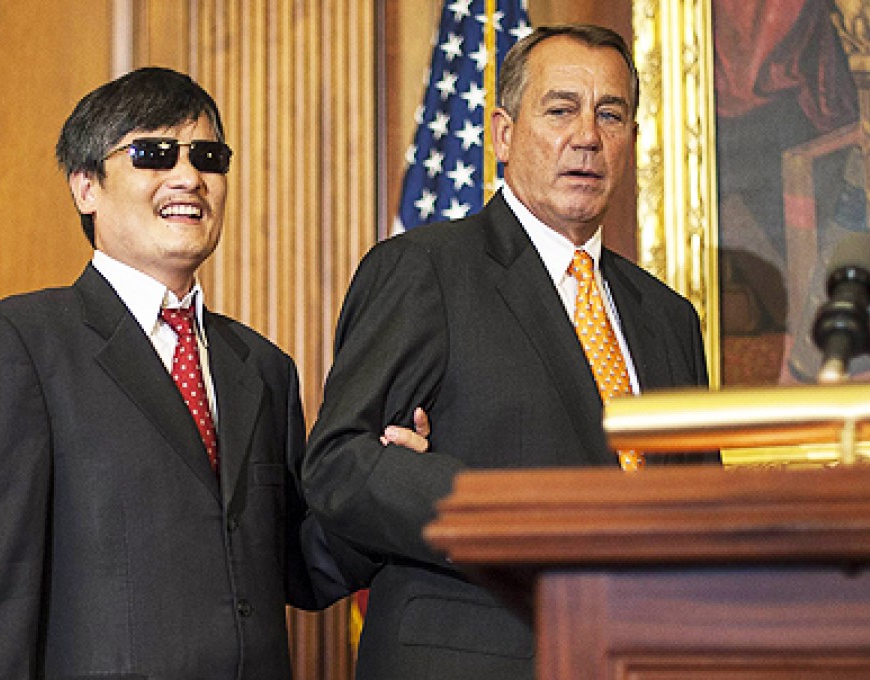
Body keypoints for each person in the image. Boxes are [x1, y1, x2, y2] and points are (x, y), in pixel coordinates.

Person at [0, 66, 423, 680]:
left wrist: (385, 483)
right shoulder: (17, 345)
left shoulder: (263, 367)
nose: (189, 177)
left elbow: (299, 564)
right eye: (153, 154)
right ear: (86, 187)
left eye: (209, 157)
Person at [302, 25, 717, 680]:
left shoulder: (668, 318)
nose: (586, 135)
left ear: (631, 138)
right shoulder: (426, 269)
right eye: (560, 110)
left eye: (610, 114)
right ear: (501, 133)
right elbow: (338, 464)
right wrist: (498, 506)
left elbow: (699, 508)